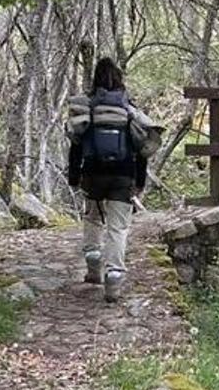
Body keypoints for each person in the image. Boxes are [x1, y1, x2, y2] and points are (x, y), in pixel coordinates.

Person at [66, 57, 159, 301]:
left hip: (92, 175)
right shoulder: (130, 111)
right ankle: (114, 276)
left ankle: (93, 261)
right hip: (123, 176)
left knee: (94, 219)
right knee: (118, 227)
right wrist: (139, 182)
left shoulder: (86, 108)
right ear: (120, 80)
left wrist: (74, 176)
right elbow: (142, 150)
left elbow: (75, 146)